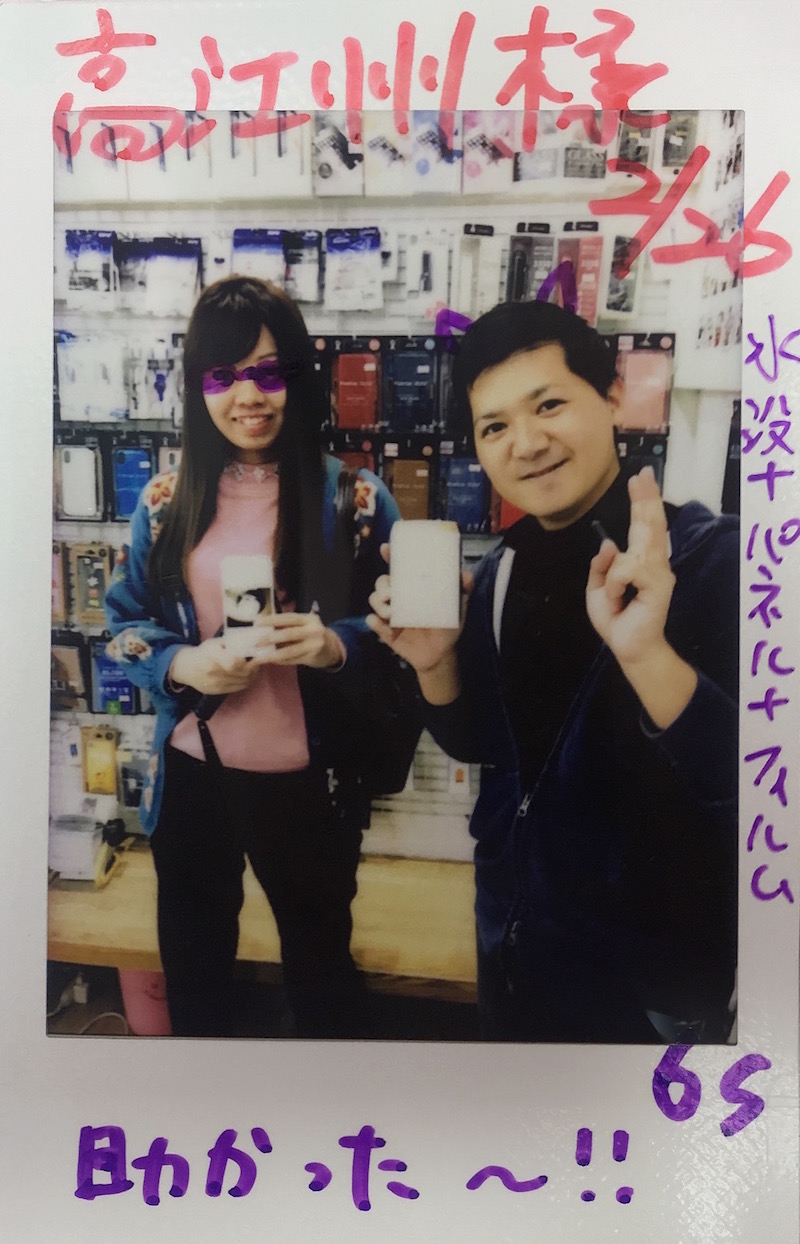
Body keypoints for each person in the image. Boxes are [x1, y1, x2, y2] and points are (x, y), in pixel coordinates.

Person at [369, 300, 738, 1044]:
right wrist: (436, 664)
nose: (527, 443)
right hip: (513, 956)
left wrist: (646, 656)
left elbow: (755, 782)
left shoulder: (715, 560)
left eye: (549, 405)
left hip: (651, 994)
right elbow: (485, 746)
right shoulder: (502, 570)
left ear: (612, 397)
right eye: (494, 426)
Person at [105, 276, 400, 1038]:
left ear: (297, 375)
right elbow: (123, 623)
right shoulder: (166, 501)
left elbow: (409, 638)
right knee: (196, 977)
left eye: (269, 372)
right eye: (223, 375)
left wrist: (337, 645)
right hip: (193, 773)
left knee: (323, 980)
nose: (248, 396)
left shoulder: (357, 499)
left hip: (309, 786)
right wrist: (183, 664)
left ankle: (325, 1109)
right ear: (198, 385)